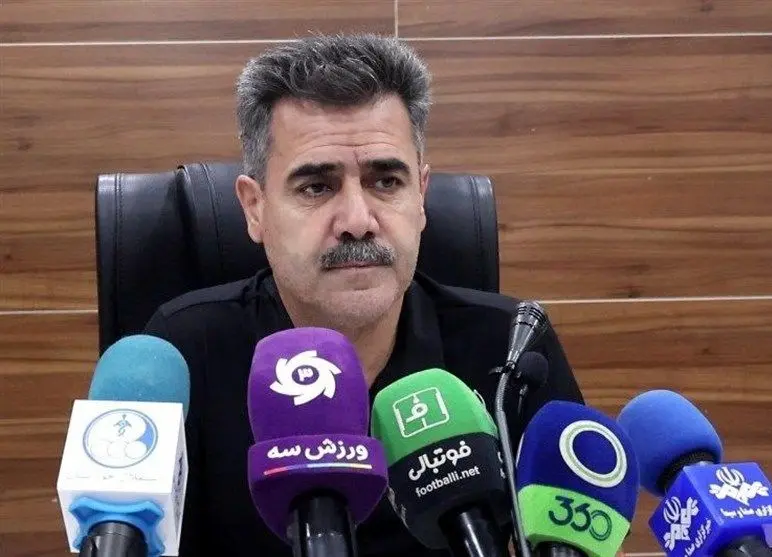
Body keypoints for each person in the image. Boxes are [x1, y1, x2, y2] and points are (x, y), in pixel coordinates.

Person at [143, 33, 583, 557]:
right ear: (255, 209)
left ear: (421, 196)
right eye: (316, 187)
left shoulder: (512, 349)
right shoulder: (183, 352)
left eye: (386, 182)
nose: (357, 221)